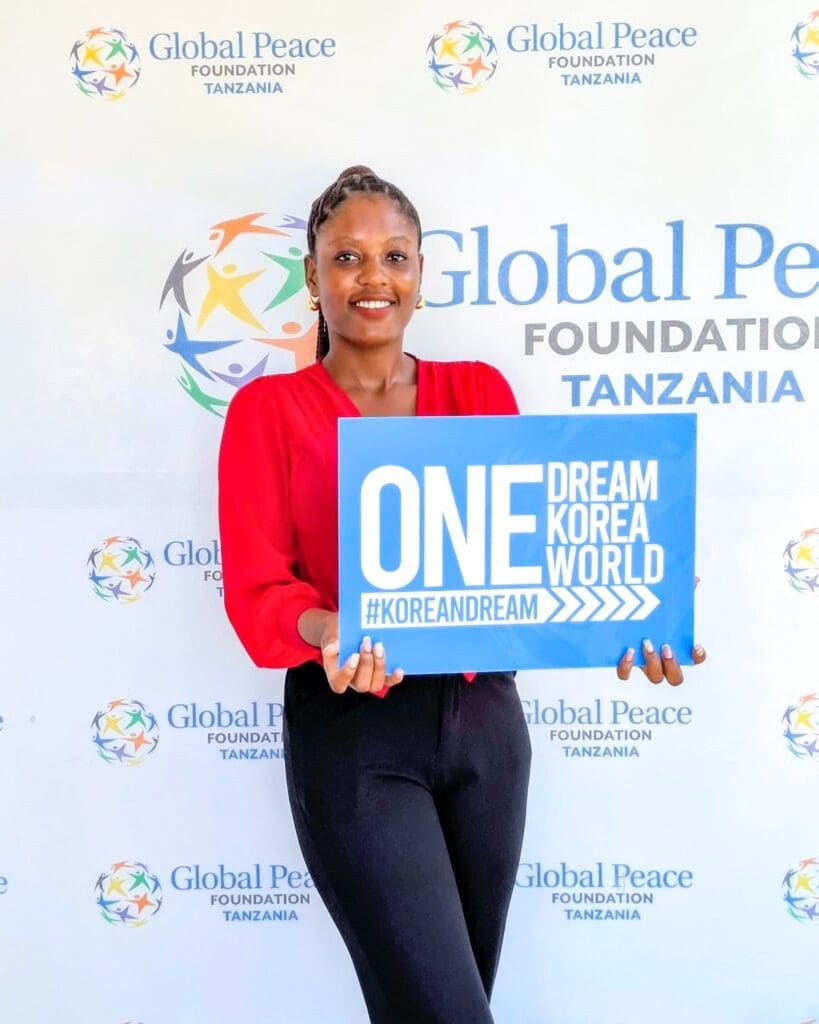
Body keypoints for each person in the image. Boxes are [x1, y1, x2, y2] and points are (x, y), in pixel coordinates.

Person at [218, 166, 704, 1023]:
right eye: (347, 257)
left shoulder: (478, 393)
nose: (374, 277)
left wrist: (639, 604)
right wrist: (327, 626)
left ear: (420, 273)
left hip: (486, 737)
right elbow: (258, 591)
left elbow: (533, 560)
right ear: (311, 277)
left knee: (443, 1005)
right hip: (357, 736)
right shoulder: (270, 411)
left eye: (394, 256)